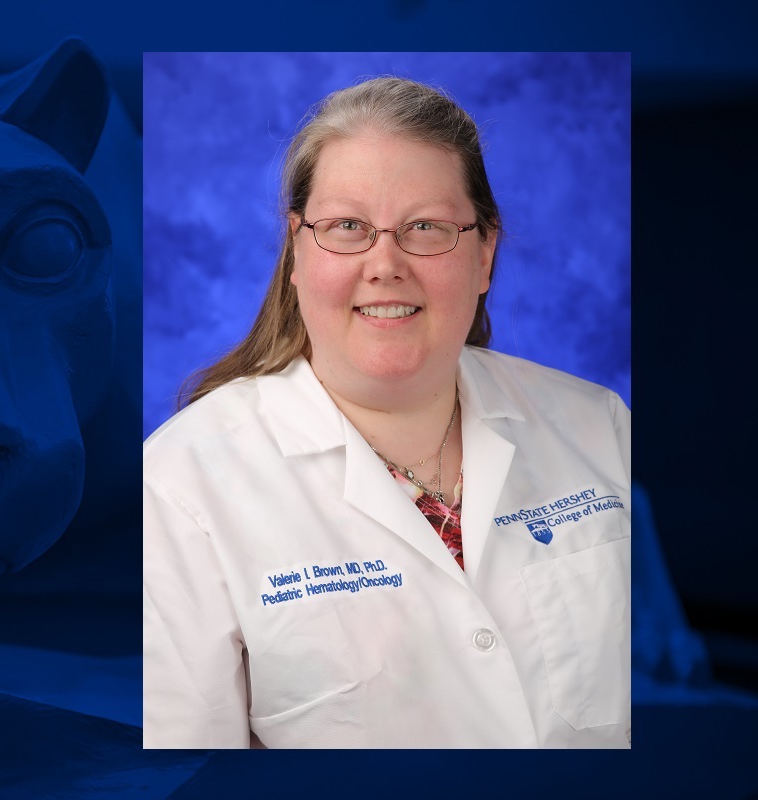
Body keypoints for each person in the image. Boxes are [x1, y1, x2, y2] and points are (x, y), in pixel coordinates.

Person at [142, 77, 630, 749]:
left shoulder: (600, 426)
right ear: (297, 250)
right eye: (347, 228)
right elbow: (184, 777)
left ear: (484, 254)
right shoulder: (180, 483)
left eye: (425, 228)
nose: (384, 264)